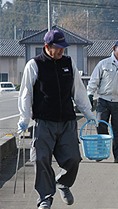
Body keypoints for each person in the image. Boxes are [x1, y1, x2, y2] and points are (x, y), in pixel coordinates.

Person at [17, 29, 98, 209]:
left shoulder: (69, 63)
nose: (62, 51)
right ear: (47, 46)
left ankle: (62, 183)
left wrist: (88, 113)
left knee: (74, 159)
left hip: (67, 121)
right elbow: (26, 93)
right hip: (43, 121)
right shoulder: (34, 64)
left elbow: (78, 91)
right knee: (41, 159)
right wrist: (24, 118)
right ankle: (45, 198)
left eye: (64, 47)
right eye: (58, 48)